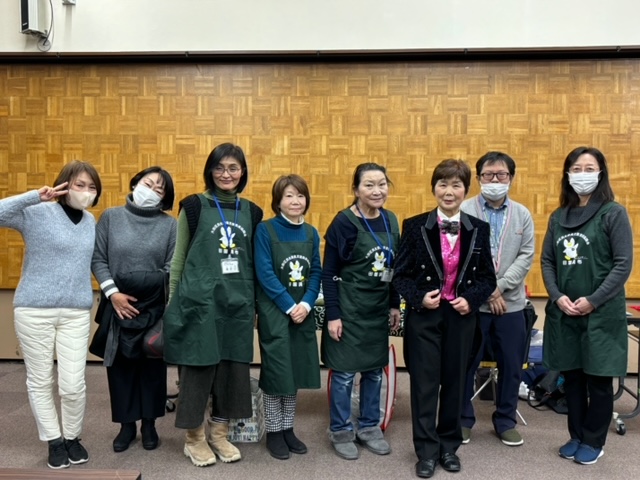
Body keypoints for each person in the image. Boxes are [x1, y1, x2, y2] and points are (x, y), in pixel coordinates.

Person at [393, 159, 496, 479]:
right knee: (424, 386)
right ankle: (426, 451)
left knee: (455, 384)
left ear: (466, 190)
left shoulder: (478, 228)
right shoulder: (414, 226)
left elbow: (487, 279)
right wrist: (418, 297)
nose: (449, 191)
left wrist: (472, 299)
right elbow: (400, 275)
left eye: (456, 185)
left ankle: (449, 447)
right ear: (434, 188)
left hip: (460, 318)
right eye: (443, 184)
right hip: (425, 317)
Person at [163, 143, 263, 467]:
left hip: (237, 304)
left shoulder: (253, 212)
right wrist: (173, 301)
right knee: (197, 370)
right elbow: (178, 259)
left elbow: (256, 263)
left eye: (233, 167)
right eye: (219, 167)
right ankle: (194, 439)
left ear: (242, 172)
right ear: (210, 171)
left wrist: (255, 305)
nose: (226, 174)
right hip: (199, 303)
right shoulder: (193, 206)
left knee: (233, 371)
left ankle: (219, 434)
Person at [0, 161, 101, 469]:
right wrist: (34, 196)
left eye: (91, 187)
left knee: (73, 384)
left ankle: (72, 437)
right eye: (79, 185)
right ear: (64, 185)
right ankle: (54, 441)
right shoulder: (36, 212)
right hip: (34, 310)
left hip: (76, 312)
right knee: (40, 380)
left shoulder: (90, 221)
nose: (85, 191)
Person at [540, 146, 632, 465]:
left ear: (601, 173)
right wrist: (557, 296)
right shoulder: (558, 216)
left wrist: (593, 300)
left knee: (598, 380)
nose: (582, 175)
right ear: (567, 175)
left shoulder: (613, 213)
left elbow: (623, 264)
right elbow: (548, 261)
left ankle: (594, 440)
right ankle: (576, 435)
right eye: (576, 169)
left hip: (601, 313)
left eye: (589, 169)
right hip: (565, 312)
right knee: (572, 379)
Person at [90, 167, 177, 453]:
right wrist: (113, 294)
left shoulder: (170, 225)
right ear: (135, 183)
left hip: (154, 306)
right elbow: (98, 258)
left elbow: (172, 266)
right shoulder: (111, 217)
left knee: (152, 367)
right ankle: (126, 425)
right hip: (117, 304)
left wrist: (146, 290)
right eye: (147, 183)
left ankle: (149, 424)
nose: (151, 191)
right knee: (120, 367)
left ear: (165, 198)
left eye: (159, 189)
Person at [321, 163, 401, 461]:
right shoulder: (344, 222)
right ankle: (340, 430)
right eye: (369, 185)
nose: (377, 190)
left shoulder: (391, 220)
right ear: (356, 189)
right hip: (349, 310)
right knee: (343, 375)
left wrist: (394, 304)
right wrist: (333, 314)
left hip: (377, 310)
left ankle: (369, 427)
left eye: (382, 184)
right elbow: (329, 272)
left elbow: (394, 267)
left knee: (374, 373)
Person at [459, 151, 535, 447]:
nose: (494, 179)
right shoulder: (464, 210)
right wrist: (487, 291)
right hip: (472, 305)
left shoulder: (522, 214)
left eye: (501, 174)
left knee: (511, 366)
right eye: (488, 175)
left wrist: (499, 288)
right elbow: (459, 256)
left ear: (511, 178)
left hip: (511, 304)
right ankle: (463, 420)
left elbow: (526, 255)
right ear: (478, 178)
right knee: (466, 365)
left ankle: (505, 421)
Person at [254, 174, 322, 460]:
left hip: (302, 313)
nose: (296, 201)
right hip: (275, 312)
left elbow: (316, 272)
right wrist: (289, 305)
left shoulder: (311, 233)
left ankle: (288, 428)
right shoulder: (265, 230)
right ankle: (274, 432)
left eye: (300, 195)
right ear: (278, 201)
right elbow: (264, 272)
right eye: (289, 196)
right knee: (276, 373)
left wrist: (306, 304)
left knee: (295, 372)